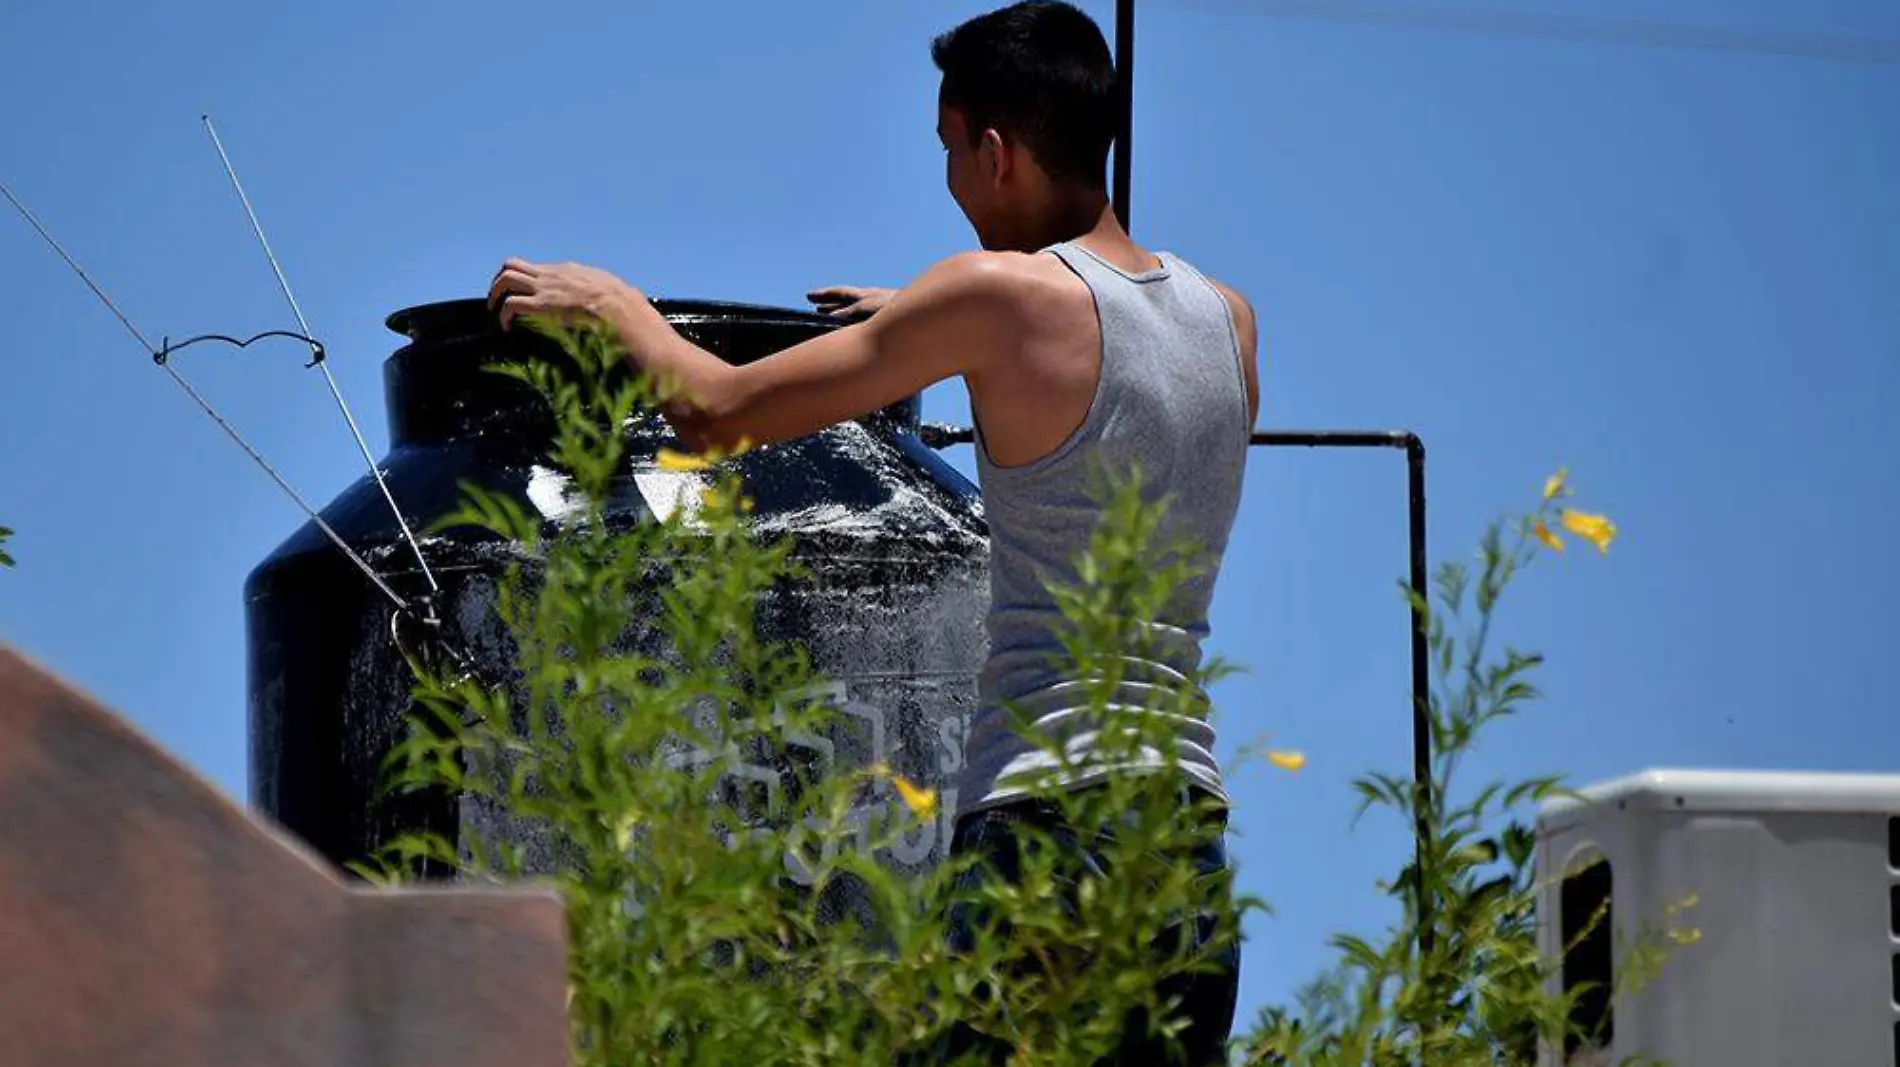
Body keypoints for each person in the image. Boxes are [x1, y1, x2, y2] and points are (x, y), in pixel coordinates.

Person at [486, 2, 1259, 1061]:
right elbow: (1098, 363)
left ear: (995, 151)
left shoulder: (991, 297)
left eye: (950, 151)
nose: (949, 183)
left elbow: (715, 411)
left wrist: (622, 310)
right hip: (1185, 846)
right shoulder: (1225, 316)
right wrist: (921, 326)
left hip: (1048, 829)